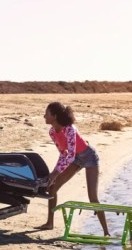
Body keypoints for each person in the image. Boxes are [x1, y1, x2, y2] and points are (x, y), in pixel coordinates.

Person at [39, 101, 109, 236]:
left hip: (89, 157)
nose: (44, 116)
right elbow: (63, 154)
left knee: (93, 198)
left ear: (55, 116)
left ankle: (106, 232)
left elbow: (69, 156)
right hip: (75, 159)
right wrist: (54, 174)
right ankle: (49, 223)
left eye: (46, 113)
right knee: (53, 188)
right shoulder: (52, 132)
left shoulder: (70, 130)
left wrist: (55, 173)